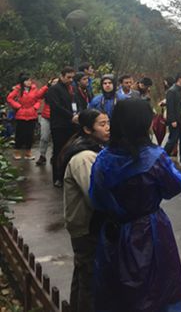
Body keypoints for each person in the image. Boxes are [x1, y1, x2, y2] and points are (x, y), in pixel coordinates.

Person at [89, 99, 181, 312]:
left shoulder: (103, 158)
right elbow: (176, 185)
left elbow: (96, 198)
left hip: (113, 233)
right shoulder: (154, 157)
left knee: (115, 291)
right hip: (150, 232)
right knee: (157, 288)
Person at [62, 108, 110, 312]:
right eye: (102, 124)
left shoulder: (92, 149)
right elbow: (94, 195)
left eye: (108, 123)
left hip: (87, 225)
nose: (108, 128)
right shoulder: (84, 157)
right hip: (86, 226)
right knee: (89, 280)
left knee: (83, 273)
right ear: (87, 129)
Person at [45, 67, 79, 187]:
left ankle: (69, 175)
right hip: (59, 125)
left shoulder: (72, 89)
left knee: (71, 150)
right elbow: (56, 106)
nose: (70, 80)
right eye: (68, 77)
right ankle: (57, 177)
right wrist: (71, 116)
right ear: (62, 76)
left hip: (73, 125)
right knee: (59, 151)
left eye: (72, 77)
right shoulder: (54, 90)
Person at [7, 74, 48, 160]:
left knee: (30, 135)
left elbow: (38, 99)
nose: (29, 82)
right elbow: (10, 98)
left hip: (32, 114)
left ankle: (28, 152)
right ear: (23, 82)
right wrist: (18, 106)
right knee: (19, 134)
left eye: (30, 80)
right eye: (27, 81)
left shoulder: (34, 89)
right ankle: (17, 151)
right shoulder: (18, 89)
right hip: (21, 114)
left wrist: (35, 107)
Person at [164, 72, 181, 165]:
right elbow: (170, 107)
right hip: (175, 120)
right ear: (179, 79)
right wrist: (172, 120)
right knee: (173, 140)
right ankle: (163, 156)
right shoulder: (172, 91)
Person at [36, 77, 59, 166]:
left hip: (57, 117)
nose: (55, 83)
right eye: (53, 82)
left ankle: (54, 156)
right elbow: (38, 95)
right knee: (44, 137)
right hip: (46, 116)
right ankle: (42, 155)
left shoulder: (61, 91)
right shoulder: (47, 90)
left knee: (55, 138)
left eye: (57, 82)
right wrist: (47, 86)